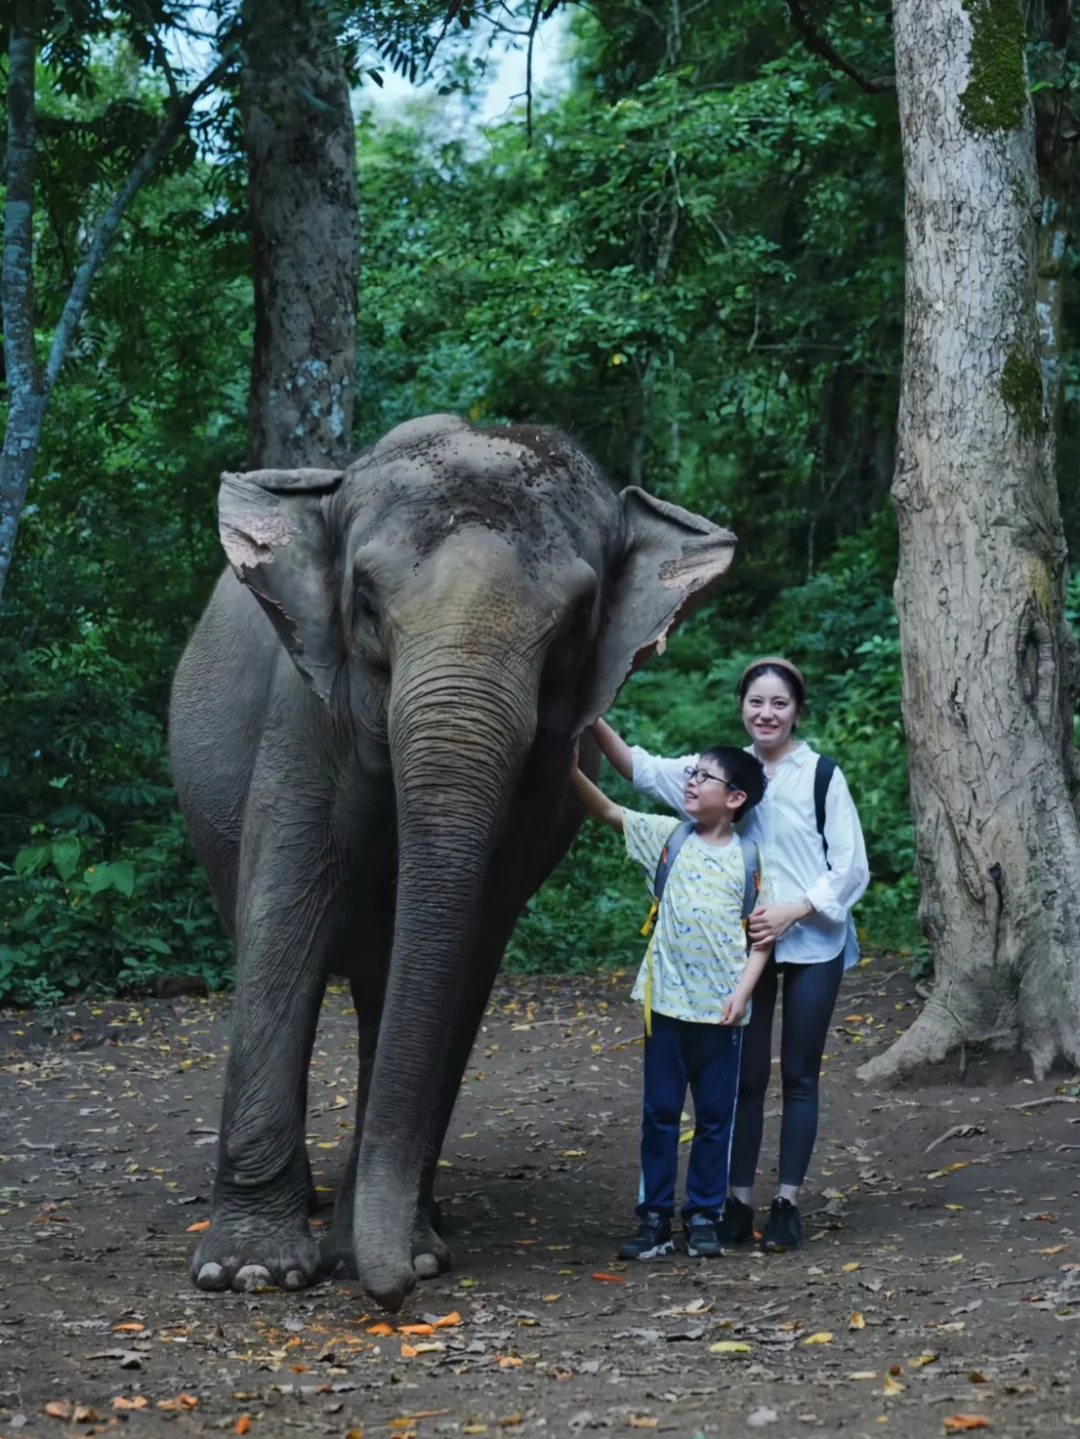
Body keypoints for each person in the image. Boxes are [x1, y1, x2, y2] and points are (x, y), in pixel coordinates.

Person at [593, 656, 869, 1253]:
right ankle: (736, 1204)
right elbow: (637, 769)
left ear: (797, 710)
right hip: (744, 953)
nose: (766, 713)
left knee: (797, 1076)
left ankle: (787, 1203)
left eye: (780, 703)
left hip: (812, 941)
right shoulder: (717, 771)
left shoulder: (821, 776)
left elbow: (851, 867)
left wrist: (794, 909)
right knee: (744, 1079)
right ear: (742, 706)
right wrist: (588, 710)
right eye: (756, 701)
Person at [569, 742, 771, 1261]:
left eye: (704, 777)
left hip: (721, 1015)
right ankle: (654, 1218)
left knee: (714, 1119)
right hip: (665, 1009)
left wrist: (742, 994)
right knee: (659, 1114)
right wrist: (565, 769)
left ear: (735, 798)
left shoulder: (751, 860)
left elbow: (761, 941)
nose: (691, 781)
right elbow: (610, 811)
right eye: (691, 773)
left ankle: (704, 1214)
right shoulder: (669, 837)